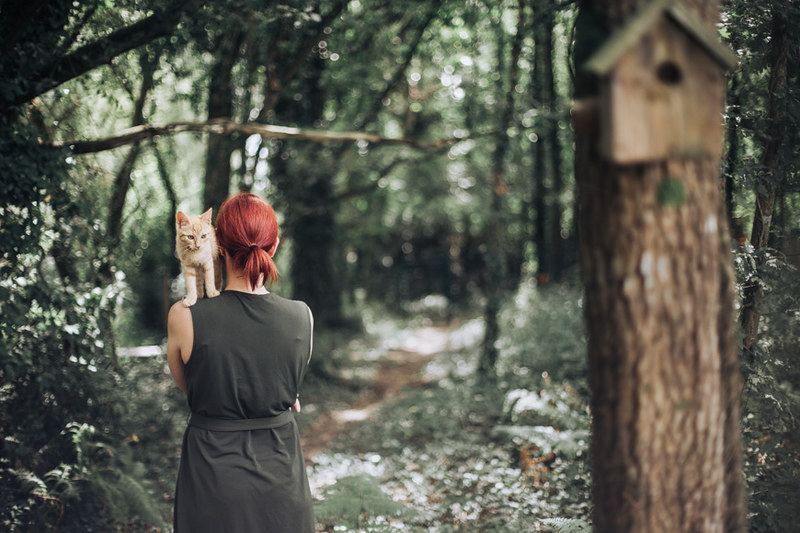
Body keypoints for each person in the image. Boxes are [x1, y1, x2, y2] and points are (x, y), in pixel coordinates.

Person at [167, 192, 315, 532]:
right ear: (274, 245)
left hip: (211, 484)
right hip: (282, 485)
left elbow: (192, 385)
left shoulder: (184, 316)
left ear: (218, 245)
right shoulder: (302, 317)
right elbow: (287, 384)